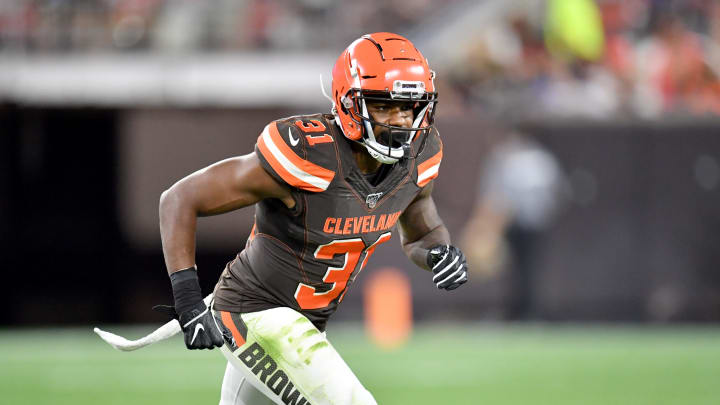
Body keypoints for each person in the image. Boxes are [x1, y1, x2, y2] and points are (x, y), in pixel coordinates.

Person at [157, 32, 468, 405]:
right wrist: (188, 302)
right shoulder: (310, 154)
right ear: (350, 103)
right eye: (385, 106)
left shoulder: (419, 157)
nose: (400, 120)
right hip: (256, 313)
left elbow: (422, 232)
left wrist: (438, 253)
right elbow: (178, 199)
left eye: (410, 107)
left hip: (306, 325)